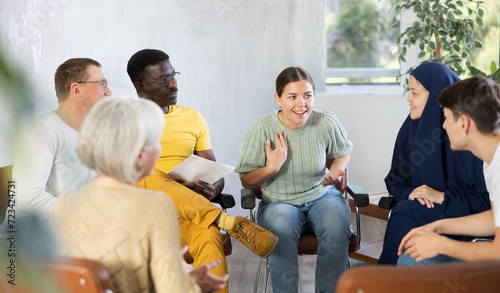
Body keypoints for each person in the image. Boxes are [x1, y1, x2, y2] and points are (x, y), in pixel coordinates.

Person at [126, 49, 278, 290]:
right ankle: (229, 222)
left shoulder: (192, 117)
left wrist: (210, 188)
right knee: (147, 175)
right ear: (141, 87)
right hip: (143, 217)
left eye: (173, 75)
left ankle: (223, 223)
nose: (173, 84)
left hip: (188, 214)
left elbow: (215, 174)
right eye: (164, 80)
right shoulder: (124, 120)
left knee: (208, 236)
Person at [51, 97, 228, 293]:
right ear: (139, 155)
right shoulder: (154, 204)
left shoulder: (63, 204)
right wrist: (193, 284)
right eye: (156, 142)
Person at [235, 67, 353, 292]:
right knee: (280, 226)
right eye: (292, 97)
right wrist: (272, 167)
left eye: (308, 96)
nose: (302, 104)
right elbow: (246, 181)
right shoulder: (261, 128)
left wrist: (337, 169)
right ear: (278, 98)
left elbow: (343, 152)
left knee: (337, 222)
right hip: (279, 202)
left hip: (321, 197)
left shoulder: (326, 121)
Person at [378, 63, 491, 264]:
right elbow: (397, 179)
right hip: (426, 211)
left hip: (461, 213)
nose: (408, 98)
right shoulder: (412, 129)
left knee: (405, 212)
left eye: (415, 93)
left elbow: (488, 209)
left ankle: (383, 279)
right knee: (406, 208)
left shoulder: (480, 148)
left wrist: (442, 197)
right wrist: (412, 194)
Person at [14, 58, 112, 221]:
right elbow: (28, 198)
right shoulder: (39, 131)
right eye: (101, 84)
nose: (108, 92)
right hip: (40, 239)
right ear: (77, 89)